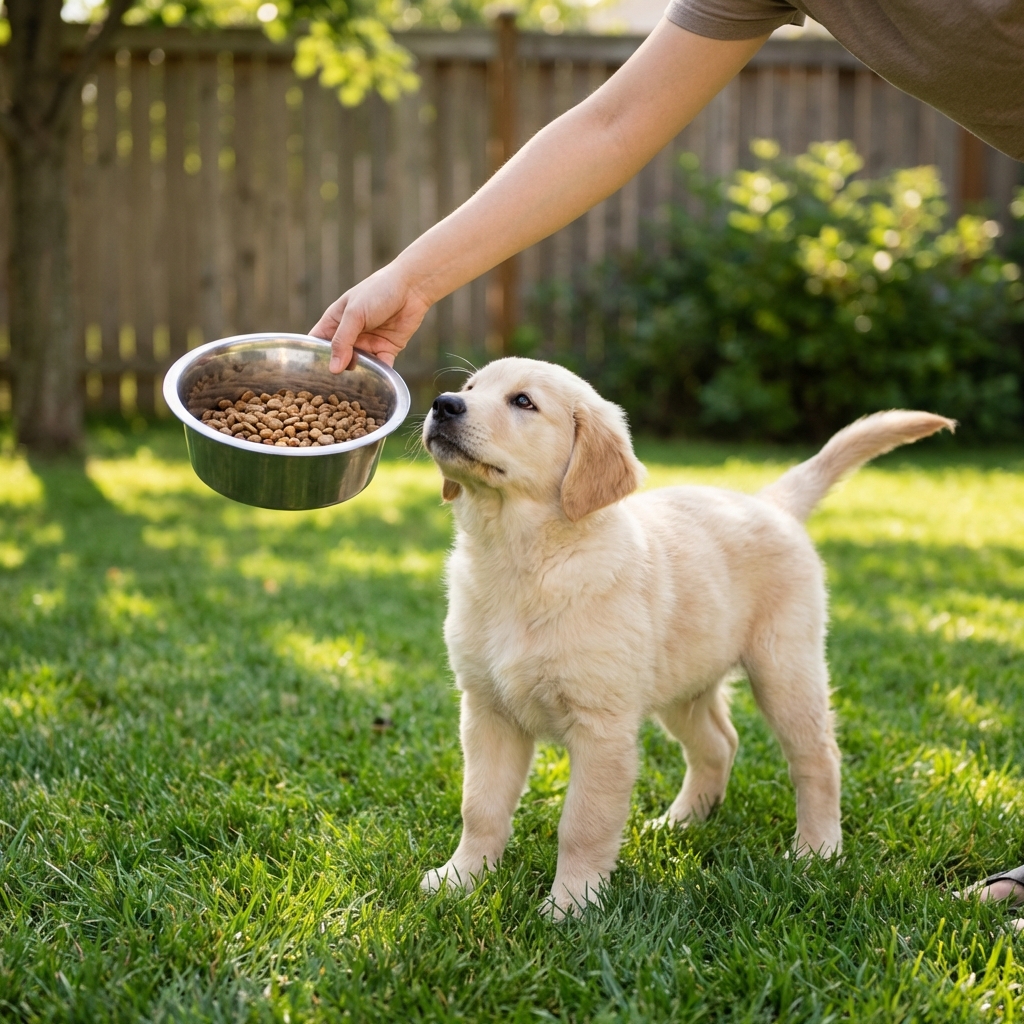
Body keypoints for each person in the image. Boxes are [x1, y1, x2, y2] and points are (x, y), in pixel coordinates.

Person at [311, 0, 1024, 908]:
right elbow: (612, 120)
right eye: (473, 392)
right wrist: (409, 277)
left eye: (519, 403)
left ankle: (815, 816)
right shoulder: (477, 571)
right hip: (542, 581)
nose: (463, 404)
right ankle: (509, 843)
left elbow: (604, 736)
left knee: (785, 707)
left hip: (751, 559)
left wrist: (577, 878)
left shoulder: (616, 538)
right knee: (494, 704)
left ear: (588, 465)